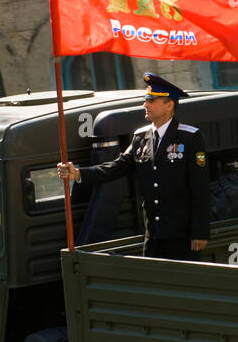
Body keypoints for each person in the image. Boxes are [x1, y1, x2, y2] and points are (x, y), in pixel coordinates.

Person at [57, 72, 210, 260]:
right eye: (145, 99)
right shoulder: (141, 138)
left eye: (152, 100)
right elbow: (117, 167)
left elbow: (200, 188)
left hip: (182, 235)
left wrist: (199, 232)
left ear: (169, 105)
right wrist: (78, 173)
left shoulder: (189, 137)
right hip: (153, 235)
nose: (145, 104)